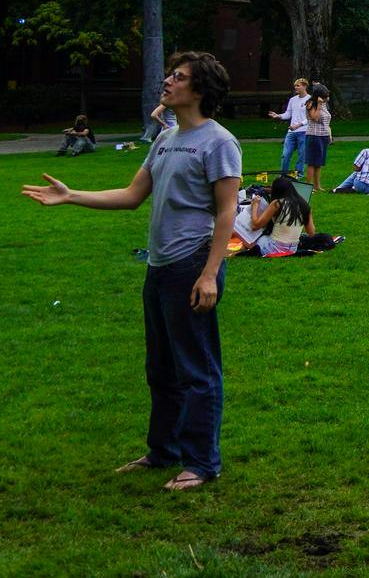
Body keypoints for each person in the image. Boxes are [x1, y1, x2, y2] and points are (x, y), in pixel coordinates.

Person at [22, 51, 242, 491]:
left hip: (192, 265)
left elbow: (227, 213)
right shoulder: (165, 139)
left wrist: (208, 274)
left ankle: (201, 462)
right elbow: (131, 194)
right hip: (159, 267)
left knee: (196, 369)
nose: (167, 81)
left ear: (198, 90)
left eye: (176, 77)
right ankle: (164, 452)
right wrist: (71, 195)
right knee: (160, 368)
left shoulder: (219, 142)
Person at [233, 176, 335, 256]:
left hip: (274, 248)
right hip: (293, 248)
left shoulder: (277, 203)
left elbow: (255, 225)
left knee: (240, 232)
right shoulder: (304, 204)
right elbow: (311, 232)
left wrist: (255, 206)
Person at [266, 78, 310, 179]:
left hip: (304, 132)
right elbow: (288, 114)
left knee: (301, 155)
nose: (296, 88)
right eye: (295, 86)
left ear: (304, 86)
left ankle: (298, 174)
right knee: (286, 154)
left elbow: (311, 118)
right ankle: (283, 174)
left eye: (298, 86)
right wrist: (278, 116)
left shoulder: (310, 100)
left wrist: (299, 125)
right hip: (291, 132)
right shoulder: (292, 100)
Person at [298, 83, 332, 192]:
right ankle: (309, 187)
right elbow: (315, 118)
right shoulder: (311, 104)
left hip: (323, 136)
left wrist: (329, 135)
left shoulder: (324, 105)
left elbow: (327, 121)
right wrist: (318, 105)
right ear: (318, 96)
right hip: (314, 136)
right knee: (312, 162)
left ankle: (317, 186)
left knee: (319, 163)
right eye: (325, 96)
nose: (327, 98)